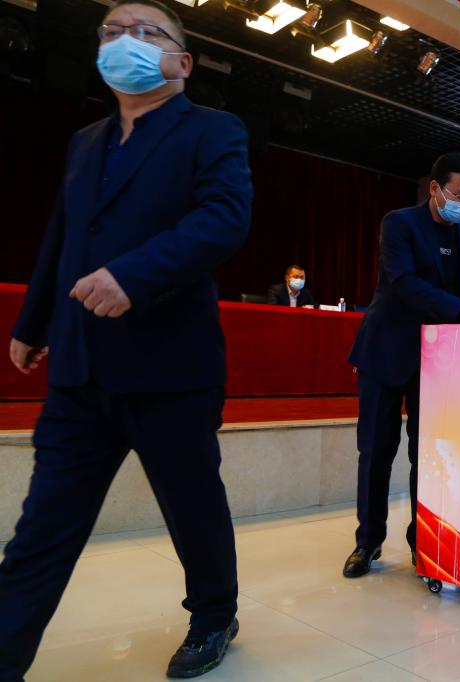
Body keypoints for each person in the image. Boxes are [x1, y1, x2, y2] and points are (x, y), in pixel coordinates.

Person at [0, 1, 251, 679]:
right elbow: (63, 234)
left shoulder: (213, 130)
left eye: (145, 32)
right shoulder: (86, 141)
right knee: (42, 529)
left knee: (192, 508)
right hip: (80, 369)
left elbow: (225, 219)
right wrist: (33, 322)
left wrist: (133, 276)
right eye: (112, 31)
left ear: (182, 62)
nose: (124, 42)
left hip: (172, 366)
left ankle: (214, 614)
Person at [344, 152, 460, 578]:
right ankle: (368, 541)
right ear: (434, 188)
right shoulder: (399, 224)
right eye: (458, 194)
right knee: (375, 452)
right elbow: (403, 283)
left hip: (439, 362)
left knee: (427, 456)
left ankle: (423, 541)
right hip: (386, 352)